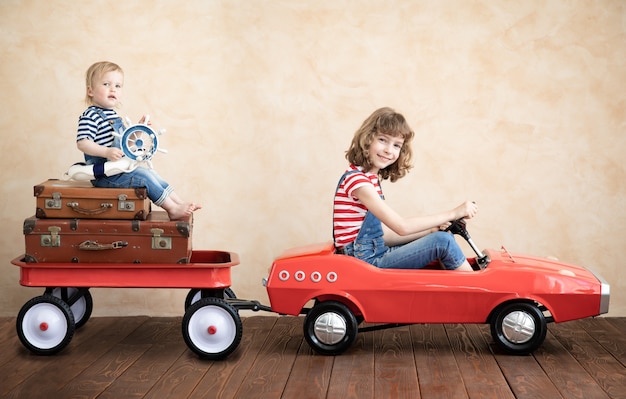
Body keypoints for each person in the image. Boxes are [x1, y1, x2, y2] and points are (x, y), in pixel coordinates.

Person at [333, 107, 478, 271]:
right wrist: (454, 213)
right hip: (364, 261)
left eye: (396, 145)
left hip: (372, 254)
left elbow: (383, 236)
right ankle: (478, 292)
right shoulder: (358, 181)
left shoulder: (369, 179)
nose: (389, 150)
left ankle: (458, 290)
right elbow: (401, 227)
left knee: (441, 236)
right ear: (367, 139)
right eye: (382, 140)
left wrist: (432, 230)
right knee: (442, 242)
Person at [76, 61, 201, 220]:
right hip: (105, 175)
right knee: (144, 178)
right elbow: (82, 143)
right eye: (106, 84)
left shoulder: (113, 115)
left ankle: (179, 202)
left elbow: (124, 146)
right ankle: (172, 209)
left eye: (118, 86)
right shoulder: (90, 116)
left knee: (151, 173)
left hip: (118, 169)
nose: (113, 89)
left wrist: (138, 132)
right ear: (90, 91)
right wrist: (105, 151)